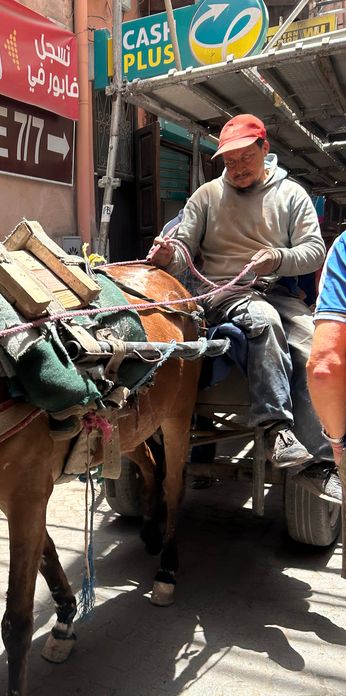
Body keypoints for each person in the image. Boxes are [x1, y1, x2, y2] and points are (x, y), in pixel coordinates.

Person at [148, 113, 340, 501]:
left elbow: (315, 251)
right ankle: (274, 429)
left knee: (317, 356)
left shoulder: (292, 195)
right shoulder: (206, 196)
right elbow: (184, 250)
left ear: (264, 150)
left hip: (279, 293)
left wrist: (278, 257)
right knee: (261, 319)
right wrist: (169, 254)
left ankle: (321, 461)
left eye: (244, 159)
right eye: (229, 162)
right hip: (223, 294)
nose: (236, 168)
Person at [307, 231, 346, 470]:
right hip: (211, 294)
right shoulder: (203, 200)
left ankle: (275, 425)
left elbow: (324, 367)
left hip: (268, 290)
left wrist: (277, 257)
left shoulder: (294, 198)